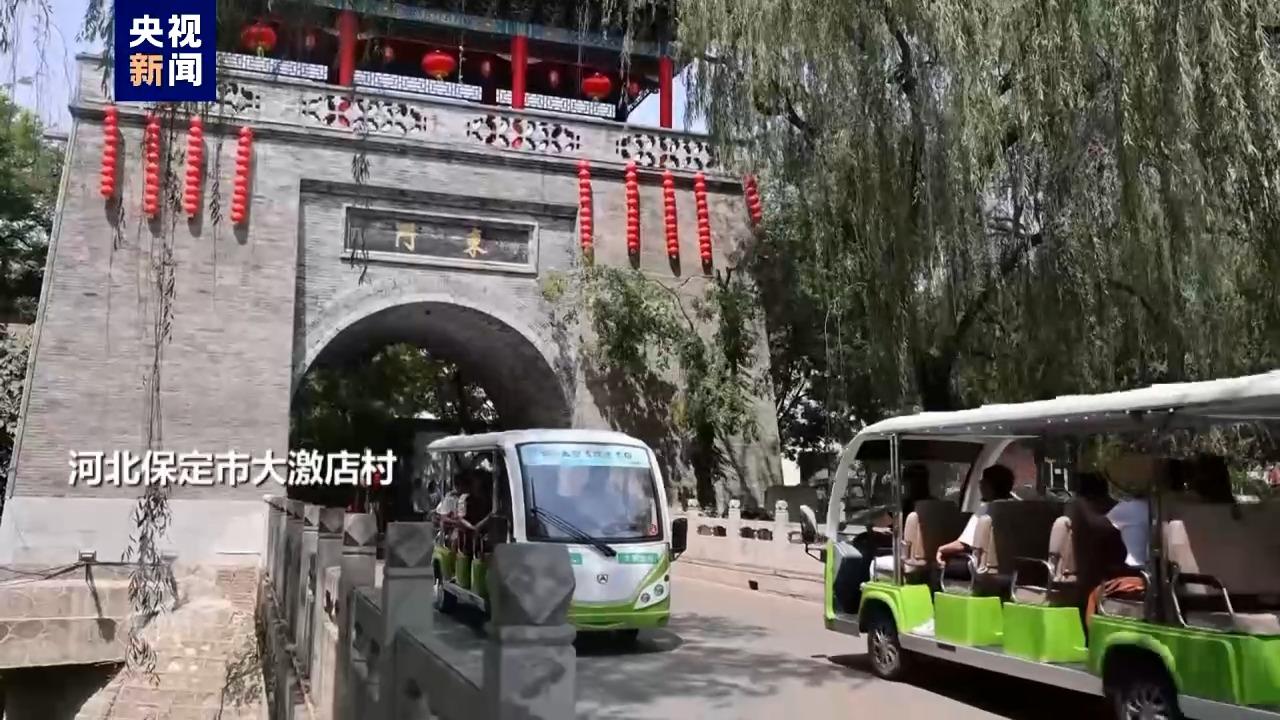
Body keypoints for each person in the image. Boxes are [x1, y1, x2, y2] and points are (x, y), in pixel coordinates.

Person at [935, 464, 1016, 567]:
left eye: (983, 481)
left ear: (989, 486)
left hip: (986, 568)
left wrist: (941, 549)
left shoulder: (987, 510)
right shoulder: (1020, 509)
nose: (980, 484)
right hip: (1017, 567)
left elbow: (964, 545)